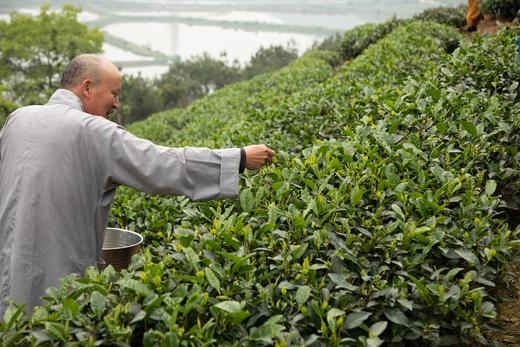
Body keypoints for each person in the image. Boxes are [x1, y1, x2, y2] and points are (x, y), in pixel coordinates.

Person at [0, 54, 275, 315]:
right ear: (87, 88)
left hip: (7, 274)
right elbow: (164, 163)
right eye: (115, 93)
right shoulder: (93, 131)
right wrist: (237, 158)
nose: (117, 104)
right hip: (55, 286)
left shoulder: (17, 119)